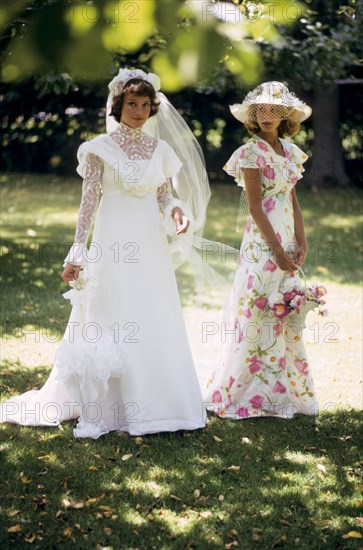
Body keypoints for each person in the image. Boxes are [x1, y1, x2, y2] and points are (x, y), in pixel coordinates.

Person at [0, 68, 210, 438]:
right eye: (133, 103)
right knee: (112, 311)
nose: (139, 111)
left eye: (146, 104)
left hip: (148, 247)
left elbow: (163, 196)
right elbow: (89, 201)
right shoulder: (100, 148)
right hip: (112, 245)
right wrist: (78, 249)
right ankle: (109, 407)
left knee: (151, 312)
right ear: (118, 105)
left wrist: (176, 211)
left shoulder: (159, 150)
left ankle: (162, 405)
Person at [205, 81, 318, 419]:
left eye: (273, 109)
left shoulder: (290, 151)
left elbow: (293, 200)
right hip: (261, 243)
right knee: (258, 308)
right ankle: (246, 392)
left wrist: (301, 240)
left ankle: (281, 391)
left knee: (284, 312)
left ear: (285, 114)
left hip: (286, 236)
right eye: (260, 110)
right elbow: (255, 208)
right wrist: (276, 251)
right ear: (253, 115)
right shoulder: (250, 153)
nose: (267, 116)